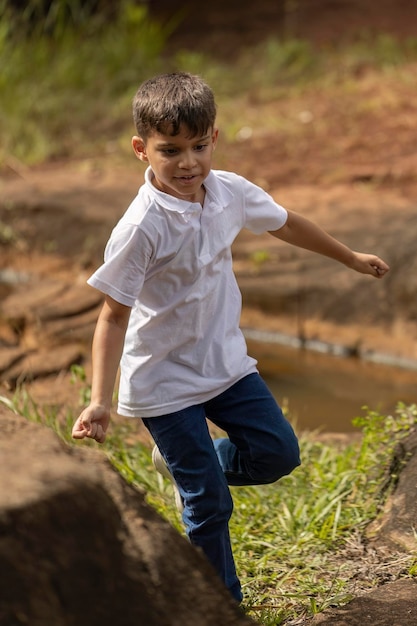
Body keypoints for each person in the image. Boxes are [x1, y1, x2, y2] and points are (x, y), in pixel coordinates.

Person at [72, 72, 390, 603]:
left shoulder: (229, 192)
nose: (188, 163)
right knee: (208, 504)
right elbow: (112, 316)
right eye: (170, 150)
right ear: (140, 149)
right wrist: (99, 401)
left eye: (199, 146)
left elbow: (286, 224)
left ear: (214, 138)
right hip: (164, 380)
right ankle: (223, 603)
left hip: (225, 364)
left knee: (277, 453)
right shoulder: (140, 228)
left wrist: (349, 257)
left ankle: (188, 469)